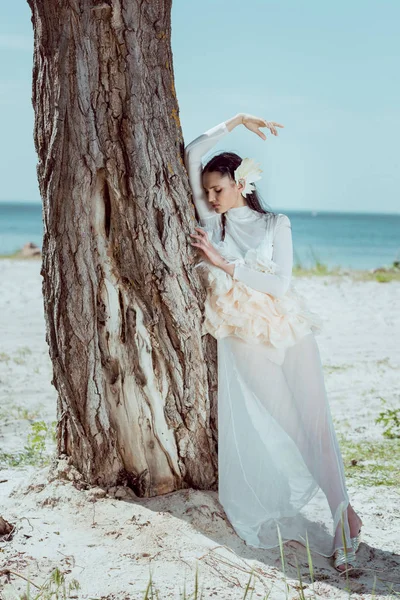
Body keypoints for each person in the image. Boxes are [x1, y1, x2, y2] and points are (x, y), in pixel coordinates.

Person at [183, 113, 363, 573]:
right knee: (295, 430)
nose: (209, 197)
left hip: (290, 330)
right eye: (206, 190)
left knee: (317, 427)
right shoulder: (214, 223)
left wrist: (224, 266)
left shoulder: (275, 224)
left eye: (217, 189)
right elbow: (191, 153)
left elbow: (280, 286)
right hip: (245, 338)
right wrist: (235, 121)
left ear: (241, 185)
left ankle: (344, 518)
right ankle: (345, 516)